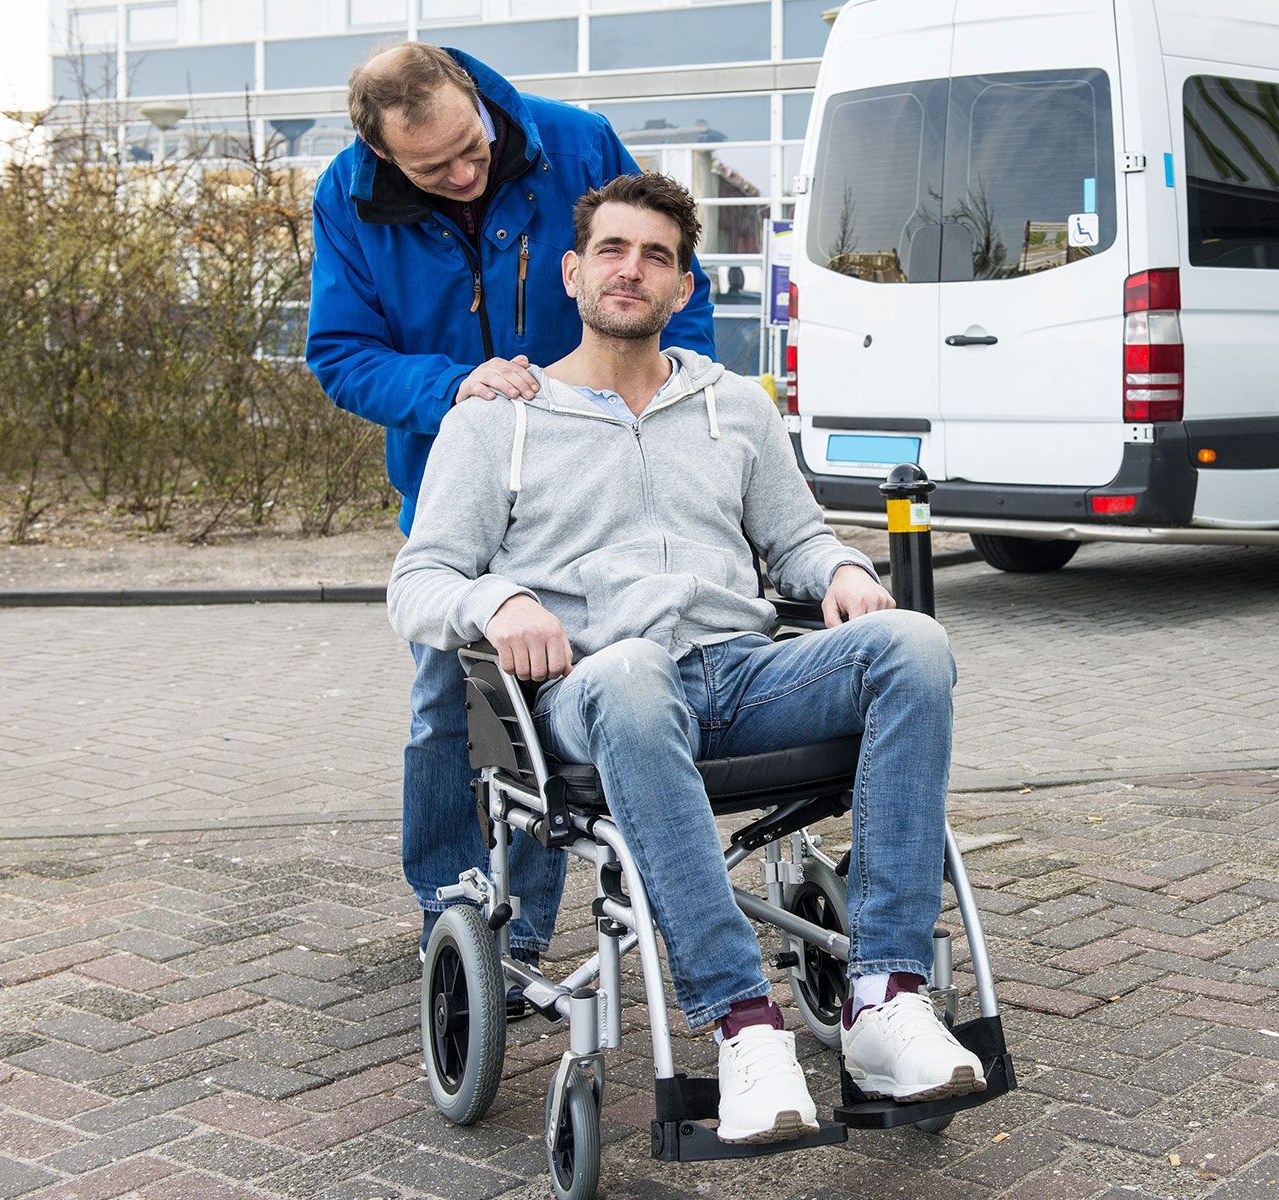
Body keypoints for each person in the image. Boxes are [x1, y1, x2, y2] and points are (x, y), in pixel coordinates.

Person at [386, 171, 984, 1144]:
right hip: (592, 691)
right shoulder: (498, 419)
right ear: (574, 272)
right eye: (614, 251)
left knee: (913, 645)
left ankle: (883, 999)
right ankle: (744, 1026)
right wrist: (499, 598)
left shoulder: (735, 406)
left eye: (656, 256)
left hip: (739, 676)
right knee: (628, 670)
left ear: (685, 287)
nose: (633, 270)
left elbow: (796, 539)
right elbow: (419, 583)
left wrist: (840, 569)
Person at [304, 43, 716, 976]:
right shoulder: (348, 194)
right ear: (380, 154)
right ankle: (455, 914)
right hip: (458, 484)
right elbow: (340, 352)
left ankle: (524, 924)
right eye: (430, 167)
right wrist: (455, 387)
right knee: (448, 707)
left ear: (480, 104)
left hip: (593, 490)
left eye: (470, 149)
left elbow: (657, 278)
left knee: (566, 685)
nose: (459, 175)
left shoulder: (574, 141)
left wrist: (691, 399)